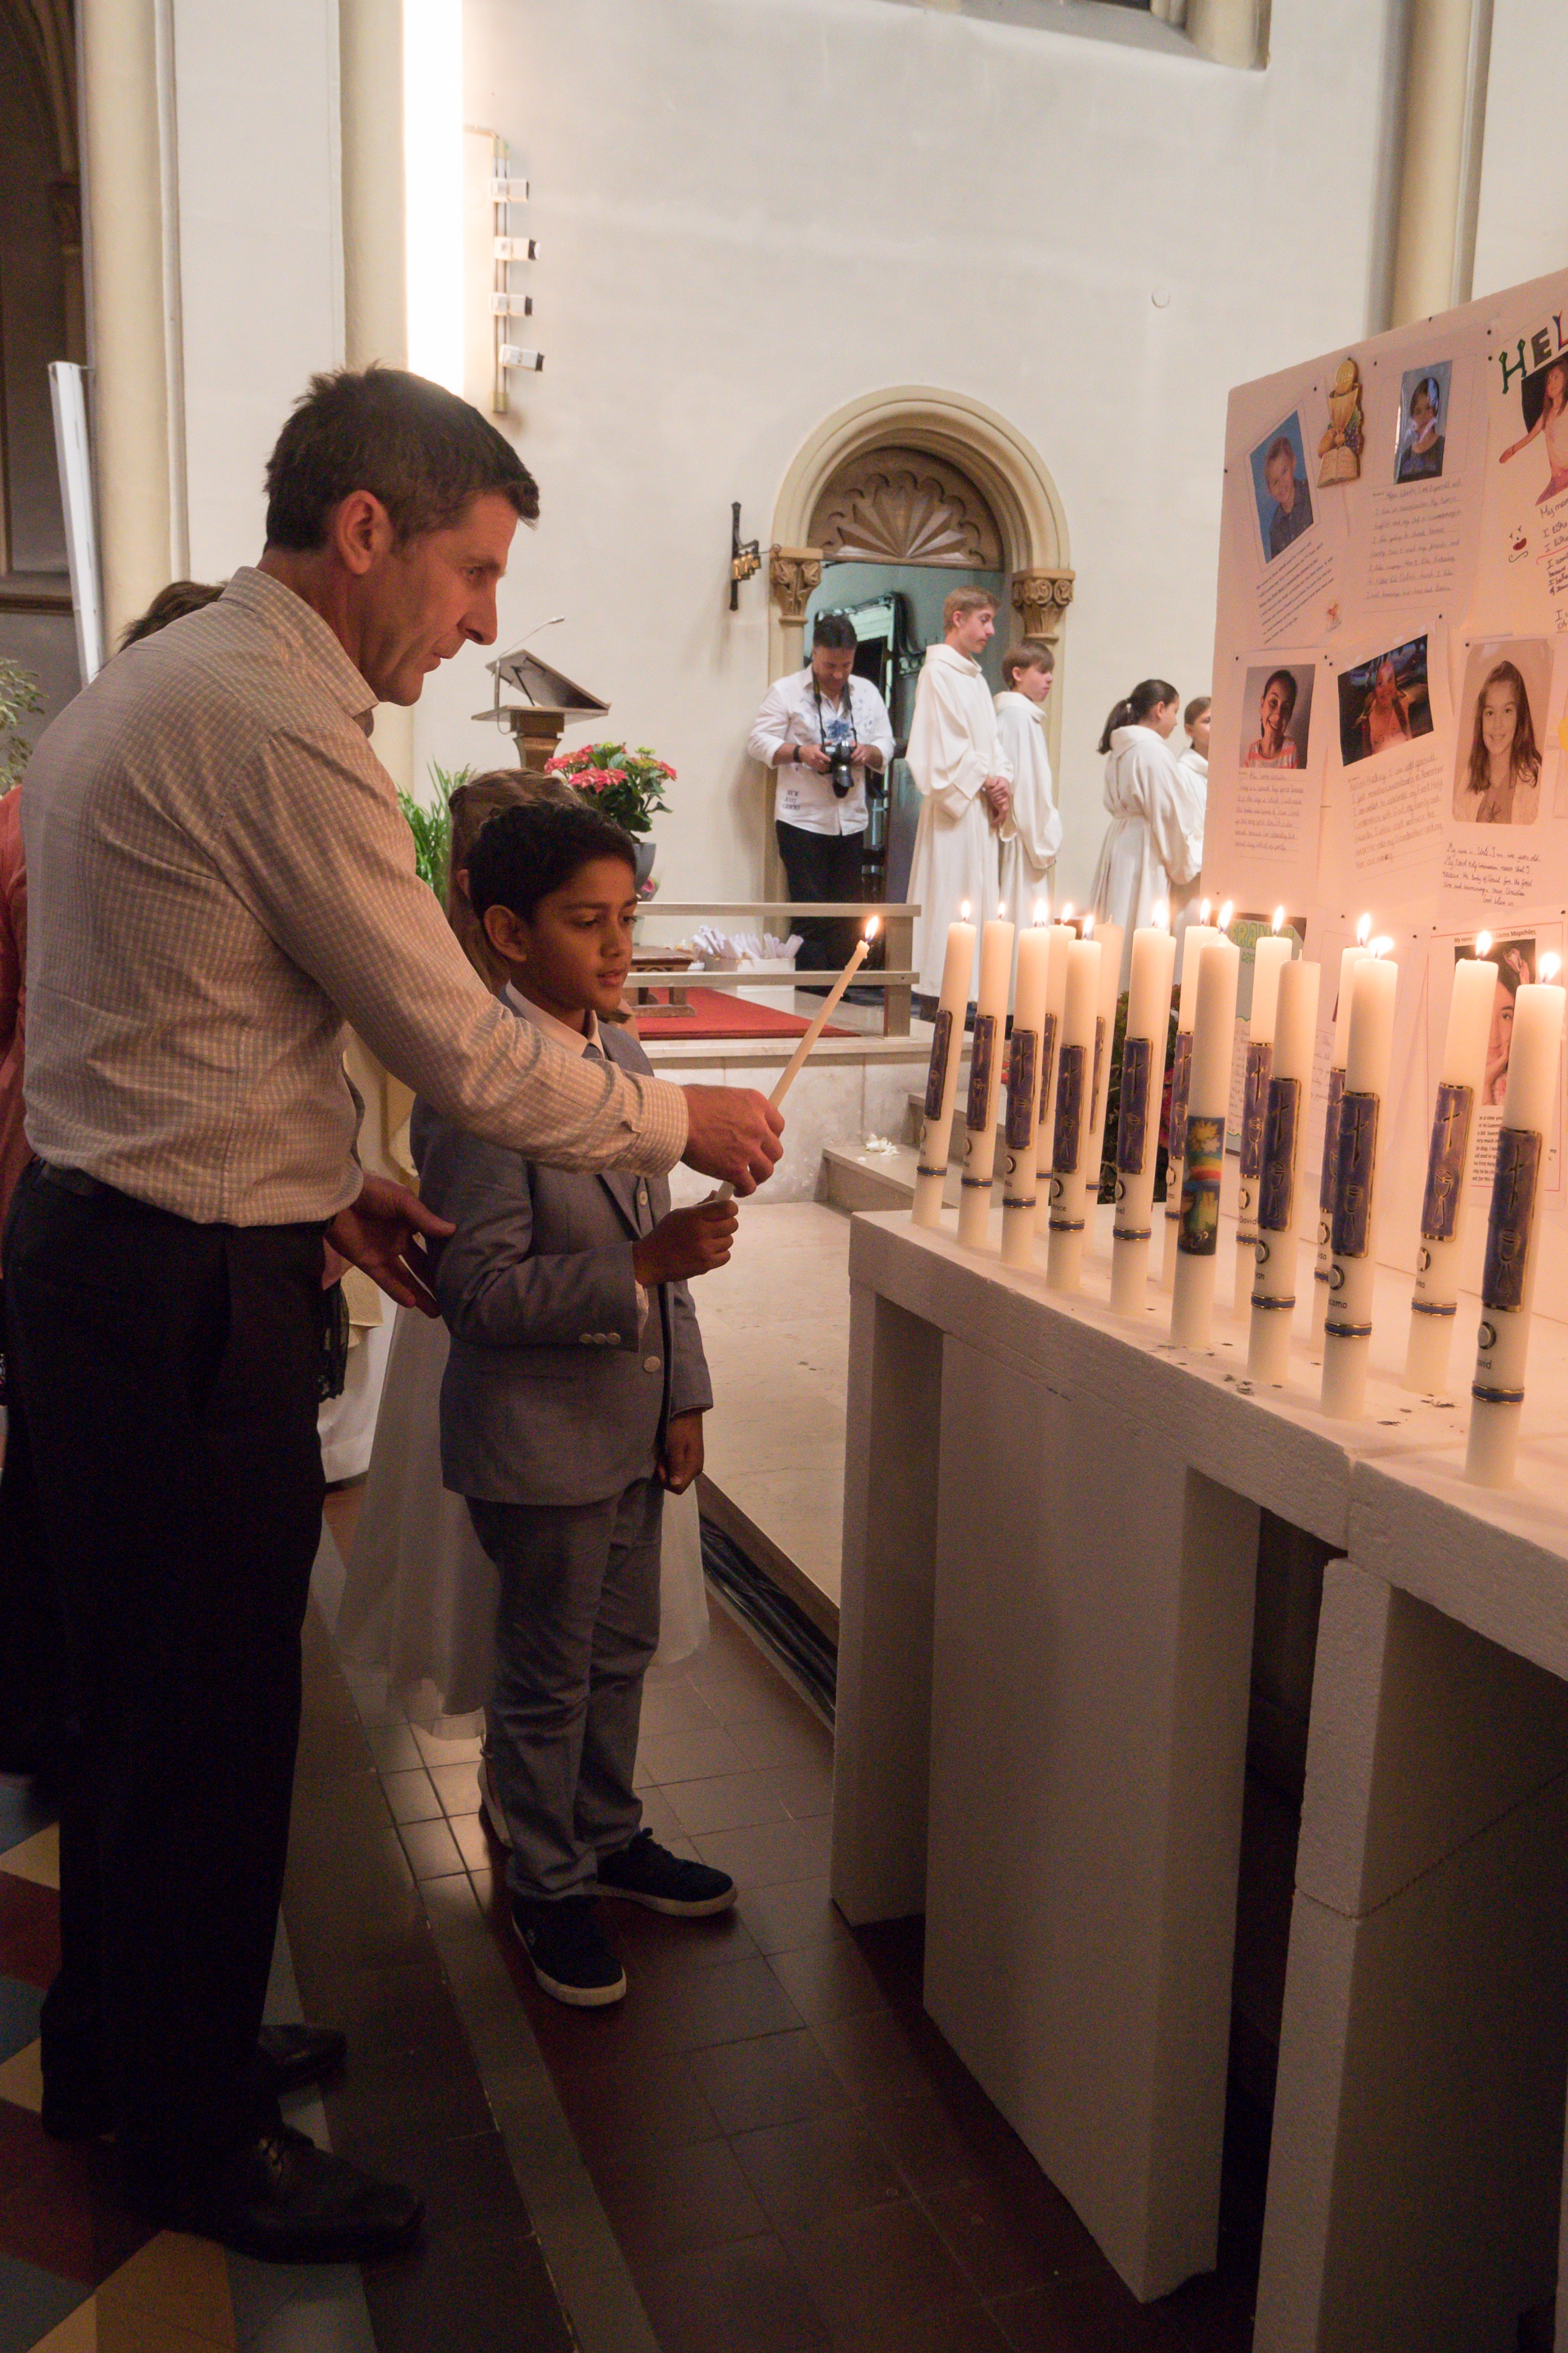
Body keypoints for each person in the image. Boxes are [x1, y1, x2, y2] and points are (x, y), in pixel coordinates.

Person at [6, 364, 782, 2267]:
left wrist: (323, 1175)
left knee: (130, 1709)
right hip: (178, 1299)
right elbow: (460, 1041)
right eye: (473, 569)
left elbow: (169, 1013)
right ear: (366, 530)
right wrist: (679, 1119)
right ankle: (194, 2138)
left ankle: (126, 2044)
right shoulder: (280, 721)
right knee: (205, 1722)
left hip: (111, 1253)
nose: (485, 619)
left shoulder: (166, 682)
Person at [415, 800, 737, 2008]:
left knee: (619, 1650)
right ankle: (546, 1881)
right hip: (536, 1437)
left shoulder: (629, 1064)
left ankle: (606, 1833)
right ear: (508, 932)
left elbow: (664, 1260)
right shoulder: (481, 1083)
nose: (616, 946)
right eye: (583, 921)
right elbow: (476, 1290)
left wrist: (682, 1396)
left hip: (628, 1421)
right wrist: (639, 1265)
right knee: (547, 1670)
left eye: (626, 918)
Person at [746, 613, 894, 979]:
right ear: (814, 653)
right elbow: (758, 742)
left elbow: (887, 743)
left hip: (851, 819)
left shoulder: (867, 692)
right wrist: (802, 753)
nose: (839, 674)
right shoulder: (786, 691)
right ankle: (810, 993)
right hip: (802, 818)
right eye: (830, 665)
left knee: (847, 913)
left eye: (846, 665)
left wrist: (867, 752)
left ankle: (842, 992)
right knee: (810, 913)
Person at [906, 588, 1013, 1006]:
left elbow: (992, 743)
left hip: (978, 806)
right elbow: (941, 746)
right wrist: (986, 779)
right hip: (955, 809)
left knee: (977, 895)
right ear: (957, 618)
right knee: (949, 896)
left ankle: (970, 994)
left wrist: (1002, 781)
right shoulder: (938, 673)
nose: (991, 631)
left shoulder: (975, 677)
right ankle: (939, 995)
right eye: (984, 620)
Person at [1089, 679, 1204, 992]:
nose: (1175, 722)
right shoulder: (1152, 751)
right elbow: (1169, 814)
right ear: (1159, 709)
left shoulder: (1122, 748)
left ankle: (1110, 997)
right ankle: (1133, 1000)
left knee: (1117, 921)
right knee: (1138, 925)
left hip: (1119, 843)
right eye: (1175, 712)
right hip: (1144, 849)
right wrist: (1189, 861)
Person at [992, 638, 1063, 935]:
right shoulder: (1016, 717)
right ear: (1018, 674)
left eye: (1051, 672)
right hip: (1020, 835)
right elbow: (1022, 786)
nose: (1050, 679)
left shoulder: (1025, 716)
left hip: (1027, 831)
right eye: (1042, 671)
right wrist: (1042, 837)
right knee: (1019, 916)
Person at [1454, 660, 1542, 826]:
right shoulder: (1470, 778)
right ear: (1481, 719)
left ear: (1520, 717)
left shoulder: (1536, 781)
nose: (1497, 724)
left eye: (1507, 711)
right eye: (1490, 713)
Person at [1500, 358, 1568, 505]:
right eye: (1549, 381)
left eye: (1556, 377)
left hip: (1565, 474)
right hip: (1556, 478)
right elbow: (1530, 436)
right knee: (1539, 505)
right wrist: (1512, 450)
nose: (1552, 384)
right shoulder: (1547, 415)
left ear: (1566, 379)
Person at [1262, 435, 1314, 560]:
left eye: (1284, 472)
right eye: (1275, 482)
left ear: (1293, 463)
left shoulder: (1311, 492)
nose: (1281, 484)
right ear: (1269, 489)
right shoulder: (1275, 530)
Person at [1243, 670, 1302, 769]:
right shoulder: (1250, 753)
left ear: (1290, 715)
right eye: (1273, 702)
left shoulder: (1292, 750)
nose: (1278, 716)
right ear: (1262, 705)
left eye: (1285, 708)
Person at [1357, 657, 1412, 757]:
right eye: (1379, 683)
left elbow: (1410, 740)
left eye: (1389, 679)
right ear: (1373, 688)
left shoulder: (1402, 706)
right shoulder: (1367, 722)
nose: (1386, 688)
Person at [1396, 376, 1445, 482]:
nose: (1424, 416)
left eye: (1428, 408)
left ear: (1435, 410)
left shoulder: (1443, 447)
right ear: (1412, 418)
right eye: (1418, 412)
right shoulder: (1405, 457)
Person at [1178, 695, 1210, 789]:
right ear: (1190, 730)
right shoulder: (1181, 772)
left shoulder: (1229, 770)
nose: (1217, 726)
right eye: (1207, 721)